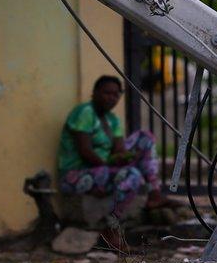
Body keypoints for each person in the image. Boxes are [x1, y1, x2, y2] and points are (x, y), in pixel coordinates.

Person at [57, 75, 176, 250]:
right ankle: (110, 229)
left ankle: (154, 193)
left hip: (101, 170)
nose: (111, 98)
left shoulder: (112, 119)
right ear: (95, 93)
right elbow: (85, 151)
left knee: (145, 137)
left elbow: (120, 151)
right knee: (132, 175)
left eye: (116, 95)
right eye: (107, 93)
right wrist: (114, 169)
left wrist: (125, 158)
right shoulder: (85, 112)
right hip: (75, 174)